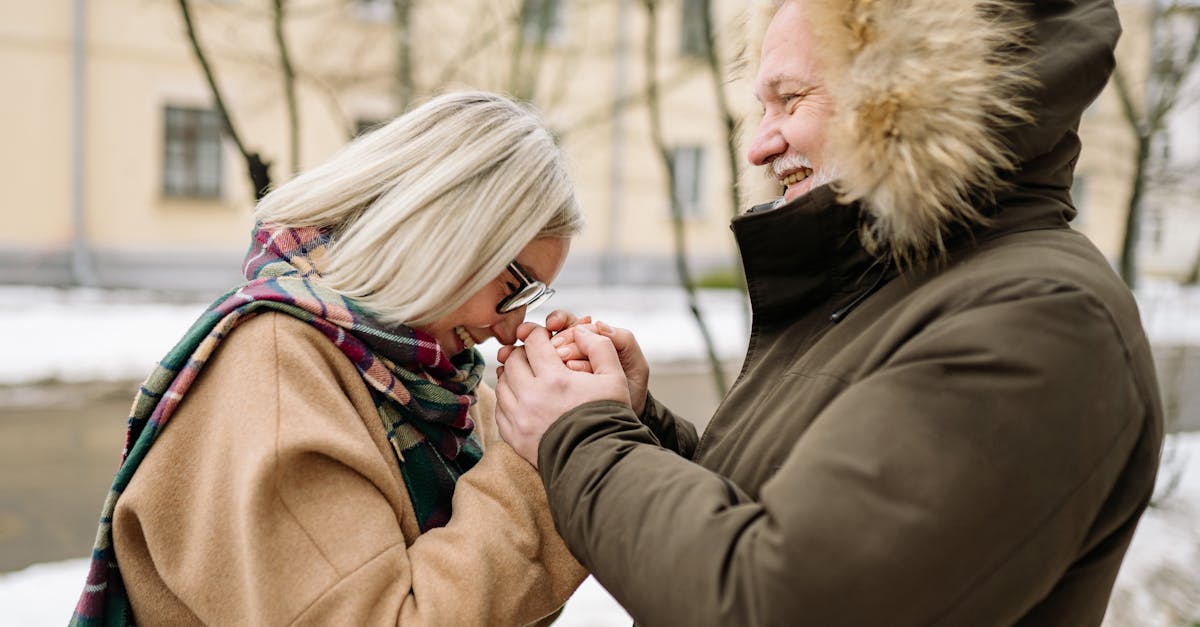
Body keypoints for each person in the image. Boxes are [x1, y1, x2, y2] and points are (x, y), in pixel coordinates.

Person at [493, 1, 1164, 625]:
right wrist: (635, 422)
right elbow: (767, 510)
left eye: (789, 100)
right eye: (762, 106)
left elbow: (781, 599)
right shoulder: (889, 287)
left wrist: (580, 435)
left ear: (909, 93)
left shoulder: (1043, 317)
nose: (758, 145)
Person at [72, 91, 586, 626]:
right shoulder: (275, 372)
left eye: (533, 300)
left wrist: (582, 425)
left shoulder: (438, 383)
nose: (509, 328)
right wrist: (535, 459)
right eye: (515, 287)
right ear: (445, 231)